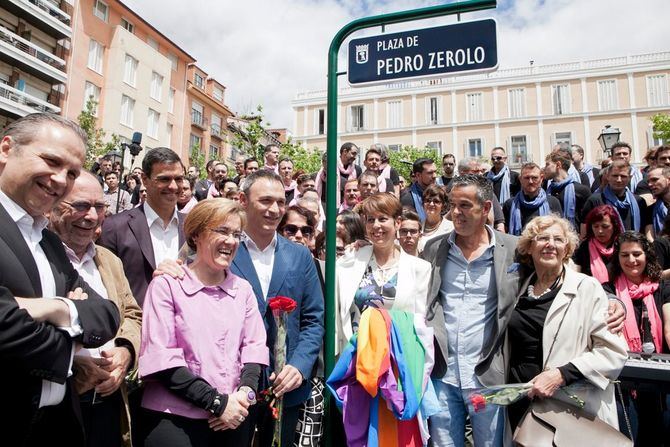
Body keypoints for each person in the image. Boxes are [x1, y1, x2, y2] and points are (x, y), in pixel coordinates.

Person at [0, 113, 120, 445]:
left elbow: (106, 314)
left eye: (71, 172)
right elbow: (4, 325)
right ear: (7, 149)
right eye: (51, 161)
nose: (59, 178)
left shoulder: (49, 241)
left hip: (55, 428)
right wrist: (71, 353)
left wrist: (55, 309)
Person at [139, 199, 269, 446]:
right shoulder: (167, 286)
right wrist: (217, 403)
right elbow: (162, 359)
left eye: (236, 234)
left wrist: (242, 398)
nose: (231, 241)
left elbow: (254, 351)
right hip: (176, 422)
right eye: (221, 231)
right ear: (196, 234)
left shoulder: (243, 290)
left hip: (232, 419)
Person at [422, 175, 519, 446]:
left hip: (488, 376)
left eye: (464, 205)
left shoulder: (514, 250)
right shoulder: (433, 249)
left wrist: (611, 301)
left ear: (486, 208)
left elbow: (558, 275)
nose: (455, 213)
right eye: (452, 205)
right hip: (443, 376)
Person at [506, 215, 628, 430]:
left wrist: (560, 375)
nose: (550, 244)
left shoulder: (586, 288)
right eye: (543, 238)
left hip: (568, 408)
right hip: (519, 404)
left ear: (567, 249)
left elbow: (612, 352)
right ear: (529, 247)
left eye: (559, 239)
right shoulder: (518, 288)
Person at [231, 170, 324, 447]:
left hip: (287, 385)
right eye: (265, 201)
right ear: (242, 201)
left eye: (281, 202)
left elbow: (313, 319)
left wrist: (300, 365)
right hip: (233, 387)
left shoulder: (299, 256)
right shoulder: (225, 249)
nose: (275, 210)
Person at [49, 171, 142, 447]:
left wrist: (125, 351)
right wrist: (72, 361)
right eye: (80, 206)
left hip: (108, 403)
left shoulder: (109, 260)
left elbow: (133, 314)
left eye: (99, 207)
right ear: (54, 205)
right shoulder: (38, 255)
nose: (91, 216)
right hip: (59, 404)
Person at [336, 192, 431, 347]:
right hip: (355, 356)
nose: (376, 225)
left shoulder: (420, 269)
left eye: (382, 219)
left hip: (397, 358)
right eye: (370, 220)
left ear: (398, 222)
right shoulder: (352, 259)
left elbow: (420, 323)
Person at [604, 231, 670, 445]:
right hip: (623, 380)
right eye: (624, 255)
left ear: (647, 255)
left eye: (636, 254)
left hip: (658, 379)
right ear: (617, 258)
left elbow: (669, 325)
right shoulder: (608, 289)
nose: (631, 260)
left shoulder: (663, 288)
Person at [99, 147, 186, 307]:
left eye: (179, 179)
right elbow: (105, 287)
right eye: (164, 179)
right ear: (145, 180)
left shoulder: (194, 227)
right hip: (135, 326)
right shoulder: (115, 228)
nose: (173, 186)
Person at [580, 160, 651, 239]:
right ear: (607, 176)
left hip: (632, 247)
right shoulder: (595, 200)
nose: (619, 180)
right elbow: (585, 232)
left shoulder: (639, 201)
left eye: (623, 176)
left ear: (630, 178)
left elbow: (645, 229)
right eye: (615, 176)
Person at [503, 162, 562, 236]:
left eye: (534, 178)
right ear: (520, 179)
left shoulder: (553, 202)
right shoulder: (510, 204)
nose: (530, 181)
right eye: (527, 178)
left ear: (541, 179)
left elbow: (559, 230)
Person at [572, 205, 623, 283]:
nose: (600, 231)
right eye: (596, 226)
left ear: (614, 226)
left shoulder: (622, 245)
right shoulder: (584, 247)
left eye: (605, 226)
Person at [544, 151, 591, 230]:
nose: (544, 168)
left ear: (558, 165)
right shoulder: (546, 190)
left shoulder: (582, 190)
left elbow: (589, 219)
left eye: (547, 164)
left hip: (575, 238)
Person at [400, 157, 437, 222]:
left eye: (435, 172)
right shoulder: (407, 197)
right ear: (418, 175)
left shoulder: (440, 193)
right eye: (430, 173)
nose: (434, 176)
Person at [418, 184, 454, 253]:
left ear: (443, 206)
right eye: (428, 200)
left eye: (436, 201)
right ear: (423, 204)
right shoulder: (417, 227)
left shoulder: (451, 228)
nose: (431, 204)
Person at [647, 166, 670, 237]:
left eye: (654, 180)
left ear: (668, 180)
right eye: (648, 181)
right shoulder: (649, 210)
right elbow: (650, 238)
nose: (649, 184)